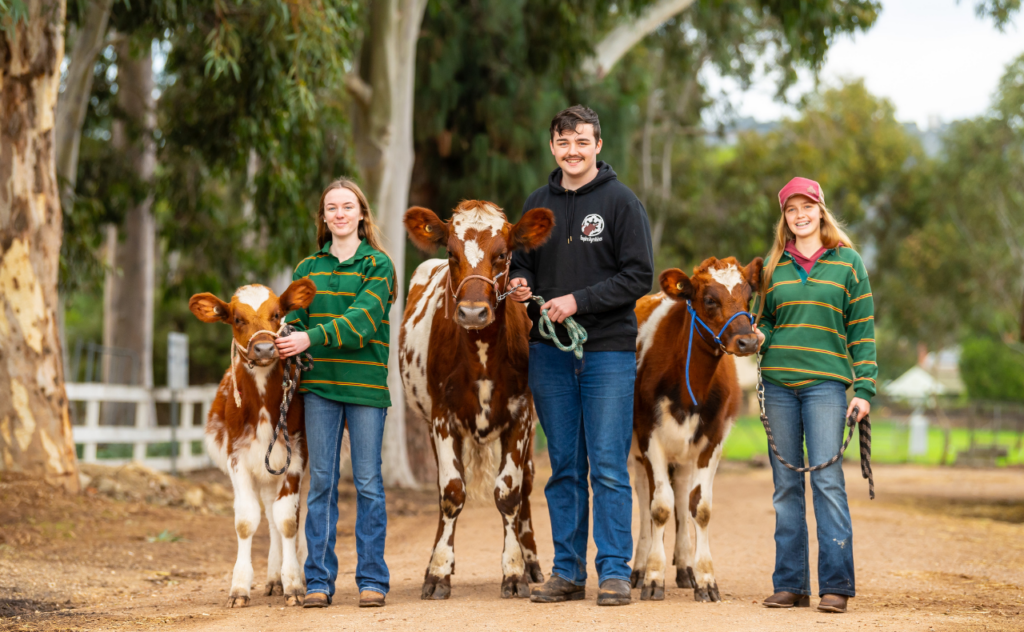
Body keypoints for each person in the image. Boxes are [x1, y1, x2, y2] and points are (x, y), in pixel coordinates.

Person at [508, 105, 654, 607]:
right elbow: (520, 266)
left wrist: (579, 301)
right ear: (553, 146)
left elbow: (639, 277)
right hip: (548, 352)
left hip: (607, 351)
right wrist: (521, 285)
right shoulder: (536, 203)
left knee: (609, 465)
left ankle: (614, 572)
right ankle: (566, 571)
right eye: (563, 142)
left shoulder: (620, 203)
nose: (572, 151)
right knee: (564, 465)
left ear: (597, 146)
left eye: (582, 142)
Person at [752, 177, 876, 614]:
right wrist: (755, 334)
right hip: (778, 385)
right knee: (786, 487)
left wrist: (863, 389)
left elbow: (861, 331)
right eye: (791, 210)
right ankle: (789, 584)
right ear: (784, 219)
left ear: (821, 211)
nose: (800, 216)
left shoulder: (849, 263)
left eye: (807, 207)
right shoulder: (773, 268)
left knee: (826, 482)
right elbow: (765, 320)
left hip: (826, 386)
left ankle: (836, 585)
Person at [275, 178, 395, 609]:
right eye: (332, 208)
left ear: (362, 214)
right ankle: (320, 581)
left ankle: (372, 580)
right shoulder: (308, 268)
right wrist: (289, 333)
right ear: (323, 217)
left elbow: (363, 321)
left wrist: (311, 338)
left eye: (348, 206)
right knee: (322, 482)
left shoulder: (378, 265)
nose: (340, 213)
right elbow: (295, 319)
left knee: (367, 483)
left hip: (365, 390)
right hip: (320, 388)